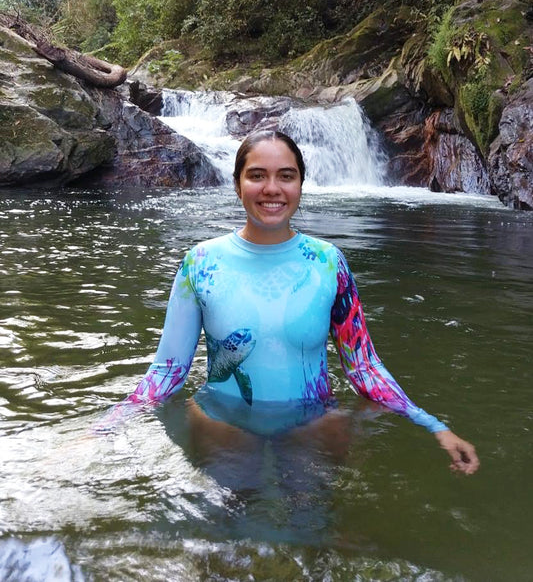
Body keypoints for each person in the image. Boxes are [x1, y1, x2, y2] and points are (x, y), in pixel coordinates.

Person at [104, 130, 479, 475]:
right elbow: (168, 371)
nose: (272, 189)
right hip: (223, 425)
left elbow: (364, 367)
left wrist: (434, 426)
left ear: (301, 183)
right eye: (257, 176)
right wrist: (104, 428)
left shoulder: (329, 263)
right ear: (237, 184)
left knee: (311, 529)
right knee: (230, 535)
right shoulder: (200, 263)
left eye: (286, 176)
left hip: (312, 426)